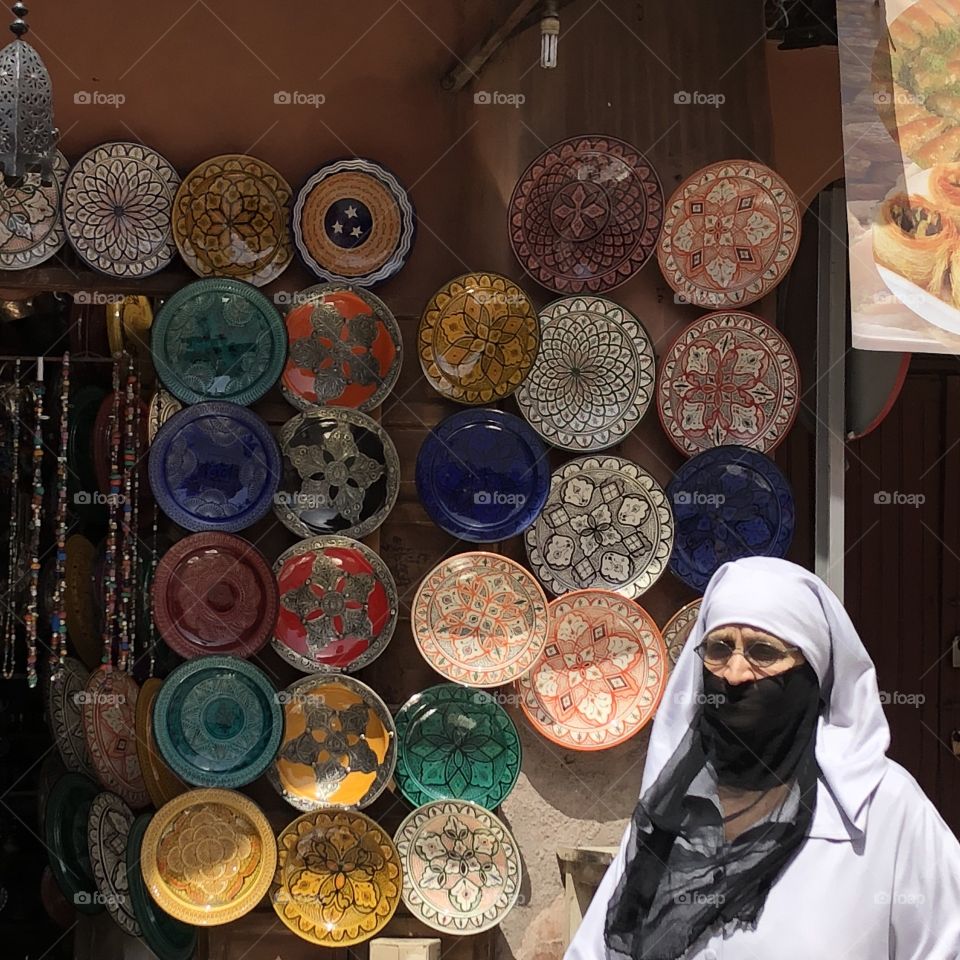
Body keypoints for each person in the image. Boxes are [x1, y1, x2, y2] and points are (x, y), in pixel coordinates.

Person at [565, 556, 960, 959]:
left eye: (763, 652)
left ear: (811, 671)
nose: (735, 674)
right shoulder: (673, 807)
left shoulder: (880, 808)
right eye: (719, 649)